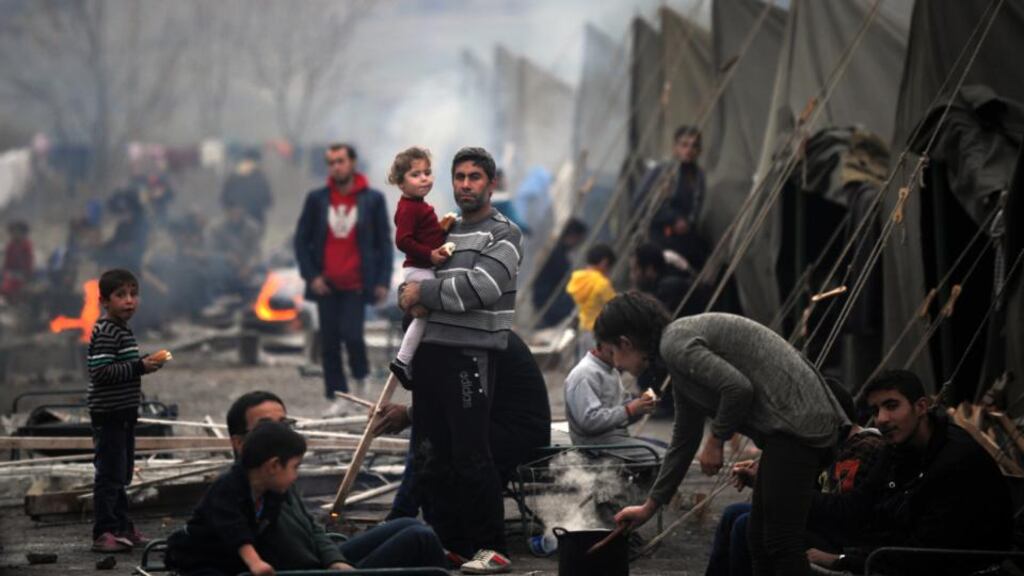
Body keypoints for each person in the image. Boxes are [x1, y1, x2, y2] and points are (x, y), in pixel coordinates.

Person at [603, 292, 849, 576]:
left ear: (625, 342)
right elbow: (684, 437)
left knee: (781, 543)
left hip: (798, 425)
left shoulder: (675, 343)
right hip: (789, 430)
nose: (617, 365)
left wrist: (716, 440)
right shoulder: (677, 353)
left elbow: (737, 388)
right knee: (757, 539)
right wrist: (649, 506)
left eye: (613, 353)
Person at [398, 147, 523, 574]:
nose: (466, 185)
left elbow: (480, 289)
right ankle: (450, 544)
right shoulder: (442, 230)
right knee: (431, 455)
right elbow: (412, 276)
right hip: (431, 353)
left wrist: (423, 296)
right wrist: (408, 294)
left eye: (474, 177)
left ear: (491, 183)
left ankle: (492, 547)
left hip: (469, 356)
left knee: (472, 453)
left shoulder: (504, 234)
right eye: (459, 177)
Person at [805, 370, 1013, 576]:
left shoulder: (955, 460)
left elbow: (926, 553)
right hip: (893, 556)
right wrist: (790, 496)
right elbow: (858, 506)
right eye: (875, 411)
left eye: (891, 406)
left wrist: (842, 561)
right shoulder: (896, 447)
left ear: (921, 406)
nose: (881, 419)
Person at [223, 391, 448, 571]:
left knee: (408, 524)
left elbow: (313, 529)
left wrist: (334, 559)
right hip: (303, 571)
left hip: (321, 562)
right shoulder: (241, 491)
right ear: (239, 443)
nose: (278, 434)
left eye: (283, 424)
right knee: (420, 538)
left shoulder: (276, 477)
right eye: (265, 426)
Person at [379, 331, 552, 522]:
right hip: (490, 425)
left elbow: (462, 406)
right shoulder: (462, 335)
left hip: (518, 434)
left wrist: (409, 415)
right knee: (431, 432)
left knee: (435, 437)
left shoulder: (474, 340)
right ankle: (407, 515)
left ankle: (404, 515)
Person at [294, 143, 393, 415]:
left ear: (352, 163)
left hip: (357, 283)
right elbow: (302, 241)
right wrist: (312, 276)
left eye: (340, 161)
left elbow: (384, 243)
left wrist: (383, 280)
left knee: (352, 335)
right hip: (326, 283)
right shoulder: (317, 199)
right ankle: (338, 396)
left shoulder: (372, 199)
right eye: (331, 162)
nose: (335, 166)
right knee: (328, 341)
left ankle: (361, 383)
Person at [87, 269, 166, 552]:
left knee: (121, 473)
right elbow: (100, 372)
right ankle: (104, 531)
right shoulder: (107, 330)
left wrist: (144, 363)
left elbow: (120, 367)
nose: (129, 300)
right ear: (104, 301)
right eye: (121, 295)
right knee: (109, 475)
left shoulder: (122, 329)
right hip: (109, 414)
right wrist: (138, 367)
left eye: (133, 294)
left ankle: (121, 526)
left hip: (123, 413)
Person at [167, 422, 305, 576]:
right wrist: (256, 562)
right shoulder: (227, 487)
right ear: (273, 466)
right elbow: (234, 529)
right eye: (295, 467)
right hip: (200, 556)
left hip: (234, 561)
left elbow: (269, 534)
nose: (296, 476)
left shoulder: (272, 494)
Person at [387, 146, 454, 388]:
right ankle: (403, 361)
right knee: (424, 316)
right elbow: (403, 240)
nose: (424, 178)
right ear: (401, 183)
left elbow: (425, 234)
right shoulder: (408, 208)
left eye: (427, 172)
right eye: (415, 174)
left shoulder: (420, 206)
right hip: (417, 268)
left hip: (422, 266)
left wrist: (442, 228)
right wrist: (431, 255)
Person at [564, 340, 656, 447]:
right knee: (664, 456)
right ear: (605, 345)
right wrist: (629, 410)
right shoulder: (584, 374)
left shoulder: (611, 370)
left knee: (665, 448)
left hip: (616, 438)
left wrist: (641, 406)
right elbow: (589, 422)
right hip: (596, 445)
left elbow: (621, 409)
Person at [532, 218, 587, 328]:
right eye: (580, 239)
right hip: (550, 304)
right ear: (573, 236)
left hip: (545, 301)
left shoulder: (557, 250)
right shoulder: (557, 254)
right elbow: (566, 280)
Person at [566, 243, 616, 359]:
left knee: (584, 361)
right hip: (600, 332)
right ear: (604, 263)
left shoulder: (578, 279)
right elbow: (615, 304)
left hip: (583, 330)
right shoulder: (601, 283)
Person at [221, 149, 273, 229]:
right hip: (255, 217)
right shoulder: (259, 177)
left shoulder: (233, 176)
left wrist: (232, 210)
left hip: (234, 219)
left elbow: (224, 198)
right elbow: (268, 200)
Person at [0, 220, 33, 300]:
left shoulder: (26, 245)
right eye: (14, 231)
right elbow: (7, 262)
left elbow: (29, 263)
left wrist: (27, 274)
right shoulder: (10, 245)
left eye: (18, 231)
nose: (15, 234)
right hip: (10, 273)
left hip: (22, 274)